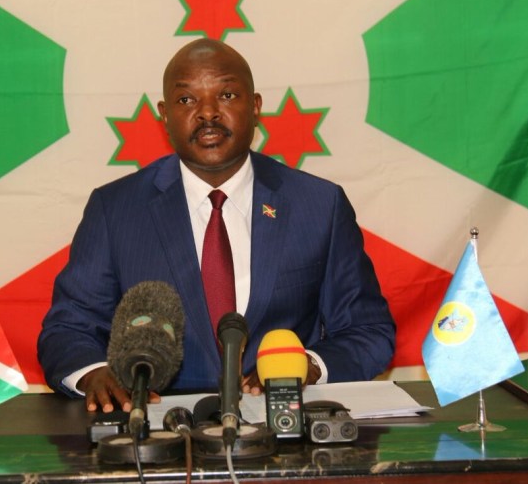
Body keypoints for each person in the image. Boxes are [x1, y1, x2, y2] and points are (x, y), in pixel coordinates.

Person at [38, 38, 395, 413]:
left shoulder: (319, 205)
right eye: (186, 99)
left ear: (255, 106)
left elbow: (368, 331)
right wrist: (93, 374)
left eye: (226, 95)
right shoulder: (116, 209)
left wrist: (306, 367)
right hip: (157, 427)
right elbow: (69, 329)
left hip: (284, 426)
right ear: (164, 115)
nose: (207, 113)